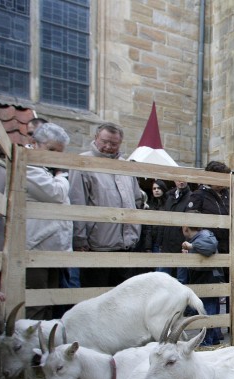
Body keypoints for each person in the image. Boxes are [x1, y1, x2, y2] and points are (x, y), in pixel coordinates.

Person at [69, 122, 145, 288]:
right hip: (97, 245)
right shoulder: (83, 163)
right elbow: (77, 202)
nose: (108, 147)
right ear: (96, 137)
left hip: (126, 245)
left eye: (114, 143)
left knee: (122, 294)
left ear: (120, 143)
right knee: (95, 294)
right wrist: (79, 239)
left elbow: (136, 199)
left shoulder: (125, 166)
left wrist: (135, 231)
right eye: (104, 141)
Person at [189, 160, 234, 334]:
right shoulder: (198, 196)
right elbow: (191, 223)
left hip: (231, 248)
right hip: (211, 251)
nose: (224, 181)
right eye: (220, 177)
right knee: (214, 288)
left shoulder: (230, 194)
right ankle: (214, 327)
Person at [26, 123, 73, 319]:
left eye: (59, 153)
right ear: (35, 143)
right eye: (51, 150)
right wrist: (62, 176)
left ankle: (45, 336)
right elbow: (56, 193)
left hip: (51, 248)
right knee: (36, 303)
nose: (55, 156)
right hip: (35, 246)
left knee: (50, 301)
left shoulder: (45, 169)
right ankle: (31, 338)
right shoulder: (29, 166)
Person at [181, 219, 223, 345]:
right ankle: (213, 339)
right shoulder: (199, 237)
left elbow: (210, 247)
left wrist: (192, 246)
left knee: (207, 308)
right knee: (209, 307)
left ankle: (206, 341)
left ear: (186, 227)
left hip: (208, 275)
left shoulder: (204, 235)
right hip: (203, 275)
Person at [155, 179, 191, 283]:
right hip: (166, 244)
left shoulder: (191, 197)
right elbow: (164, 221)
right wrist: (159, 242)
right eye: (179, 179)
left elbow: (190, 224)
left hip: (182, 245)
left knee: (181, 280)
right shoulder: (169, 196)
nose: (181, 182)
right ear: (174, 180)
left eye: (184, 179)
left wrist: (187, 244)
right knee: (161, 279)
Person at [147, 179, 167, 254]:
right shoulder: (150, 205)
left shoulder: (168, 204)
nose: (156, 190)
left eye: (159, 188)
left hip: (163, 243)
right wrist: (148, 247)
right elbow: (148, 228)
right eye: (154, 188)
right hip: (152, 242)